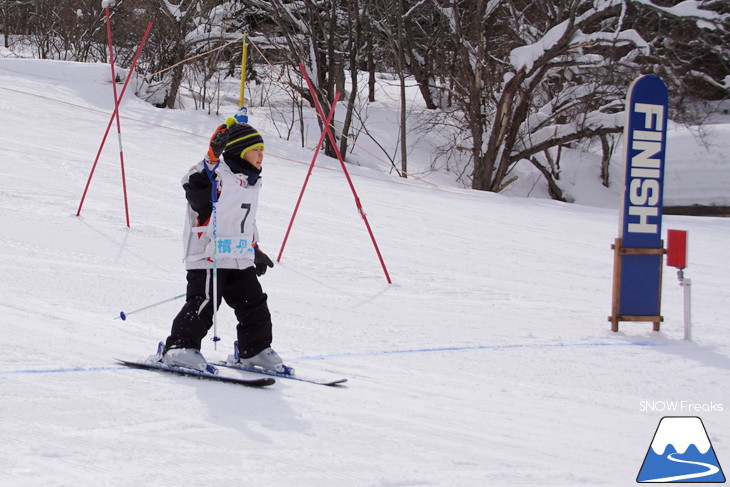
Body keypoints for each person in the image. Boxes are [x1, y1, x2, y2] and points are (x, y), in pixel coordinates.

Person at [157, 117, 291, 374]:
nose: (261, 156)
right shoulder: (218, 176)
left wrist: (254, 249)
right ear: (240, 151)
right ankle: (180, 347)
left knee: (255, 305)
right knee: (204, 303)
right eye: (256, 150)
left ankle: (255, 351)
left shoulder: (251, 181)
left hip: (239, 257)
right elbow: (193, 184)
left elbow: (245, 220)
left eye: (263, 151)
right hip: (210, 255)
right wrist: (210, 158)